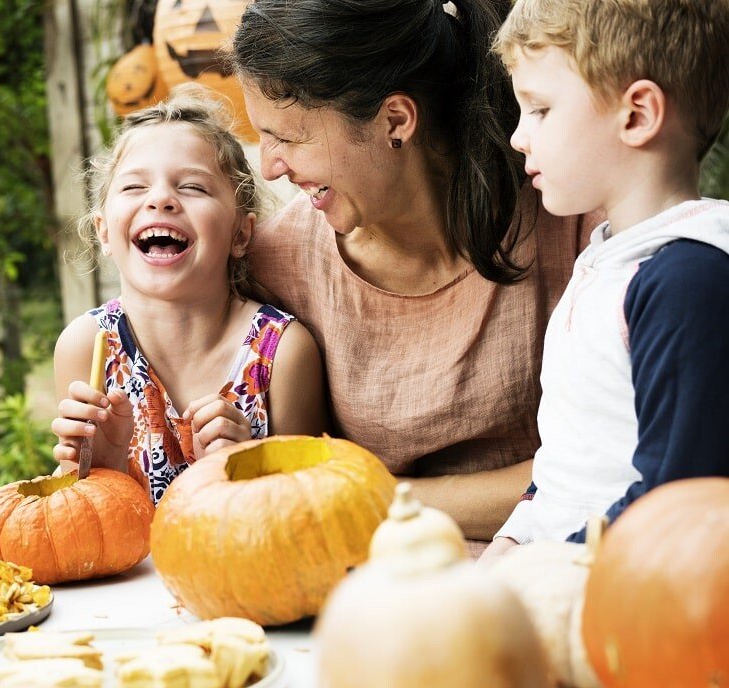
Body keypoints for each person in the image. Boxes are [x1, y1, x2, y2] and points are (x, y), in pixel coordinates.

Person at [230, 0, 602, 545]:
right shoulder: (279, 262)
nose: (269, 166)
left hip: (560, 576)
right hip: (370, 596)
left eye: (288, 137)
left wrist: (375, 497)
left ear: (395, 121)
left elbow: (606, 468)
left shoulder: (569, 219)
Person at [477, 0, 729, 558]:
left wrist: (544, 565)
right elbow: (573, 454)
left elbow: (674, 499)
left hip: (627, 596)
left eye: (539, 110)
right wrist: (515, 535)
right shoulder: (609, 262)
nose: (519, 137)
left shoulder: (686, 279)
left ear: (637, 114)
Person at [51, 85, 330, 504]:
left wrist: (246, 472)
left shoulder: (283, 353)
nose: (161, 199)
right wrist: (102, 471)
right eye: (133, 188)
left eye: (193, 188)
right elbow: (75, 522)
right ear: (104, 232)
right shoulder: (88, 346)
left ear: (241, 233)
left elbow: (314, 507)